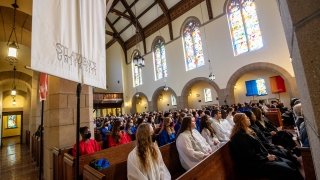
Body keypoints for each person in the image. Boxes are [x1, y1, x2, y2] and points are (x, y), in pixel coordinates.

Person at [230, 113, 303, 180]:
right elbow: (248, 156)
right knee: (289, 169)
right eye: (246, 118)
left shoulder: (247, 131)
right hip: (255, 165)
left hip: (261, 159)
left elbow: (259, 147)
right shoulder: (239, 137)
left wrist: (267, 154)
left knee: (290, 163)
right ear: (242, 121)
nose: (249, 119)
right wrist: (266, 158)